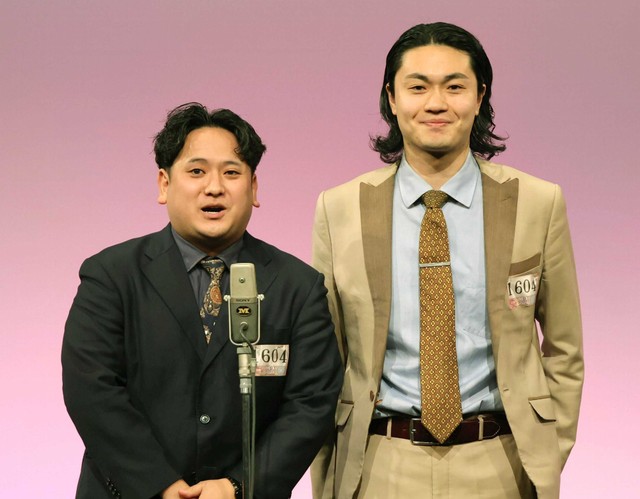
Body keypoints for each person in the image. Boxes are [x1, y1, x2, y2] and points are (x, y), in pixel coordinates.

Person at [311, 22, 583, 499]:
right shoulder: (339, 209)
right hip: (379, 463)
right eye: (417, 87)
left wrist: (545, 455)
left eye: (454, 87)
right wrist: (331, 473)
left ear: (480, 98)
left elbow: (564, 349)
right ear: (392, 98)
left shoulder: (538, 202)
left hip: (501, 462)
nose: (436, 103)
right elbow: (323, 358)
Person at [62, 102, 342, 499]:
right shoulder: (111, 275)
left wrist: (237, 486)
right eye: (196, 171)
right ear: (164, 184)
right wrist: (160, 485)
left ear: (254, 188)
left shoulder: (298, 286)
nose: (214, 187)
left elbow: (311, 404)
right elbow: (92, 391)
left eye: (231, 173)